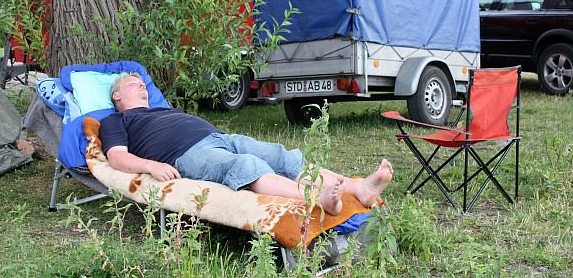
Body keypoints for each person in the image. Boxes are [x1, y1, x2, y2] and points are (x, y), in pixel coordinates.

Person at [99, 73, 394, 216]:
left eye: (142, 82)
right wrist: (153, 166)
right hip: (188, 155)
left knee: (280, 155)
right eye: (133, 83)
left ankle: (359, 188)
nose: (142, 84)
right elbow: (117, 158)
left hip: (222, 138)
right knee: (247, 166)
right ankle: (318, 199)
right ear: (117, 96)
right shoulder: (115, 121)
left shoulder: (162, 109)